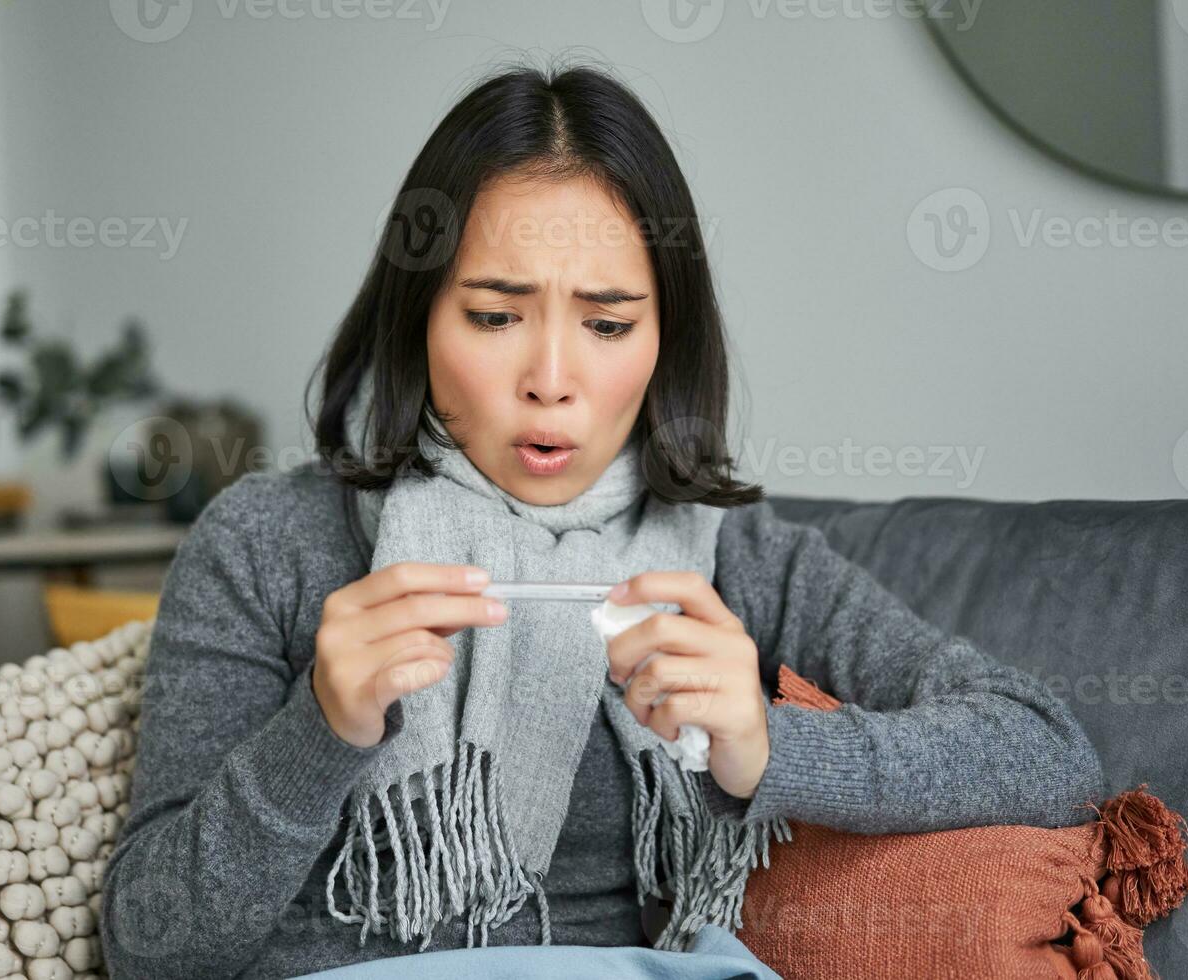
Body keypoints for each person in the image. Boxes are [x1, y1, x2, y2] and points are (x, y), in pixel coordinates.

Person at [100, 60, 1106, 979]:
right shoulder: (268, 543)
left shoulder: (738, 556)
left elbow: (1047, 749)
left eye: (608, 324)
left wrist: (768, 747)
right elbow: (150, 944)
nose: (551, 381)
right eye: (494, 316)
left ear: (666, 342)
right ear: (418, 318)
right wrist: (321, 727)